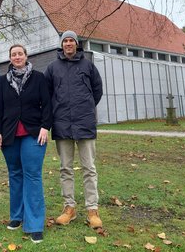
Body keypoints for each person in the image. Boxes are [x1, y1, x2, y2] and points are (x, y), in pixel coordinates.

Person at [0, 44, 52, 244]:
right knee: (15, 175)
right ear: (9, 59)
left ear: (26, 56)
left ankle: (35, 224)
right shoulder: (2, 82)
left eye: (20, 53)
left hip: (34, 134)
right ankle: (17, 216)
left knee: (32, 176)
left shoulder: (39, 78)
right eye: (13, 54)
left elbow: (48, 104)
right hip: (9, 135)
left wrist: (45, 126)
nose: (17, 57)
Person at [44, 30, 103, 229]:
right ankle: (69, 208)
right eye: (65, 41)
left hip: (85, 123)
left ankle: (92, 210)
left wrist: (85, 107)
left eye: (71, 41)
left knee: (89, 168)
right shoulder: (52, 68)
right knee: (65, 168)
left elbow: (97, 91)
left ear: (76, 44)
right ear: (61, 45)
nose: (68, 44)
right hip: (61, 124)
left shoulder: (88, 65)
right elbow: (47, 94)